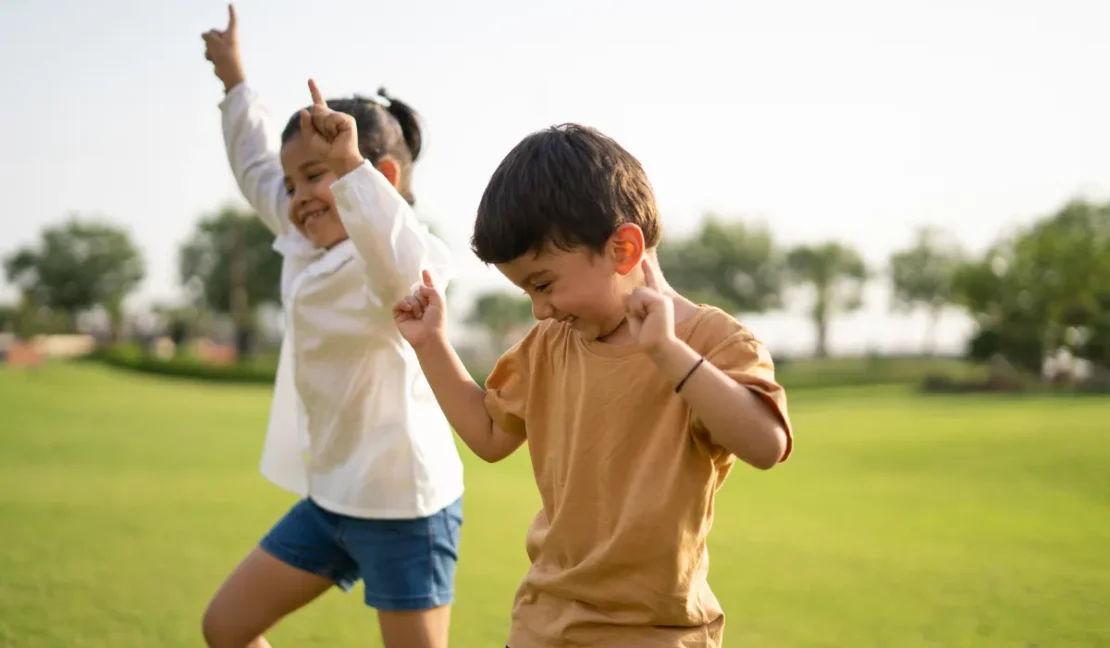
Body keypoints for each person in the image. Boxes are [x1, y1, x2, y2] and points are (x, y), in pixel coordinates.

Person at [392, 123, 795, 647]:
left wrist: (670, 355)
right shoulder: (549, 344)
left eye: (543, 283)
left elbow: (767, 445)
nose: (539, 309)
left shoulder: (709, 341)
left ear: (623, 250)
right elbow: (490, 435)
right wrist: (430, 343)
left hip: (654, 633)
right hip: (542, 622)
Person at [200, 6, 464, 648]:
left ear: (383, 179)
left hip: (405, 507)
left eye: (315, 176)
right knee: (226, 628)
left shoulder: (401, 253)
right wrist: (236, 82)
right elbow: (257, 170)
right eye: (295, 184)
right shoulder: (303, 239)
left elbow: (401, 271)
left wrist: (349, 167)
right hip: (331, 500)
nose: (297, 197)